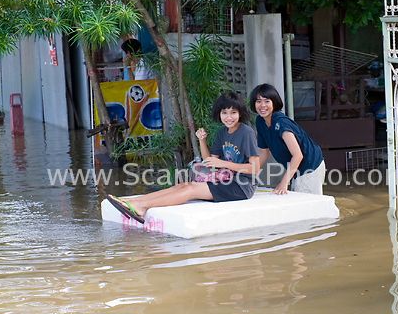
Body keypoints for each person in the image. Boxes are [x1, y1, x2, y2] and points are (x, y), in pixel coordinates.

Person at [106, 91, 260, 223]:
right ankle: (134, 201)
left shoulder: (247, 133)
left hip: (241, 186)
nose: (229, 117)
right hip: (225, 179)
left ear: (240, 113)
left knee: (191, 189)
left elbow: (255, 168)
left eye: (233, 112)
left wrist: (222, 163)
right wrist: (202, 141)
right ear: (219, 114)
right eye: (224, 112)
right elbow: (211, 164)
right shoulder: (222, 132)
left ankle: (141, 206)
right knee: (182, 185)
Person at [250, 83, 325, 195]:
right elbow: (264, 152)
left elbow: (298, 155)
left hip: (310, 166)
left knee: (305, 204)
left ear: (274, 103)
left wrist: (284, 182)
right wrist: (249, 173)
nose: (262, 105)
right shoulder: (260, 121)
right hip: (297, 169)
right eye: (258, 101)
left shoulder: (281, 123)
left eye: (267, 101)